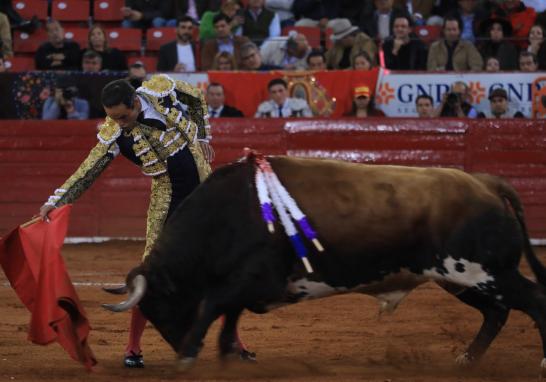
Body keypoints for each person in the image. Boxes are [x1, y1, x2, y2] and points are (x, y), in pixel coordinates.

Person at [37, 74, 246, 369]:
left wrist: (202, 136)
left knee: (219, 265)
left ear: (136, 102)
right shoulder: (114, 133)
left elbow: (197, 98)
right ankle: (133, 347)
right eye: (114, 118)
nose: (120, 123)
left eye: (123, 116)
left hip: (203, 187)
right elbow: (88, 171)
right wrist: (56, 200)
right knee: (150, 272)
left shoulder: (160, 89)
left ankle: (234, 342)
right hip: (167, 196)